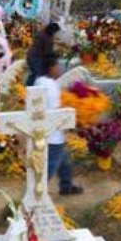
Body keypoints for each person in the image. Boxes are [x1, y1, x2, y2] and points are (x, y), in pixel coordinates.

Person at [35, 54, 83, 196]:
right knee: (51, 164)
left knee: (64, 160)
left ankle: (66, 185)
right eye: (57, 66)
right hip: (53, 134)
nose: (59, 69)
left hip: (43, 131)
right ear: (50, 68)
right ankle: (38, 192)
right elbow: (56, 112)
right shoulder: (51, 87)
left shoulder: (40, 81)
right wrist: (67, 125)